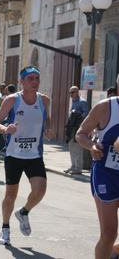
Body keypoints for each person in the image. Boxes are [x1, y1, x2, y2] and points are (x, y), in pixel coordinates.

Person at [0, 66, 53, 245]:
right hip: (14, 154)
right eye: (30, 78)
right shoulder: (12, 100)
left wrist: (48, 127)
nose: (35, 82)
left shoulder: (44, 100)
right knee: (11, 194)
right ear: (22, 81)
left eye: (37, 78)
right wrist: (5, 129)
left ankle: (24, 212)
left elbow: (46, 117)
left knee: (40, 190)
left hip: (34, 154)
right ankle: (5, 227)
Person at [76, 84, 119, 259]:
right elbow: (81, 134)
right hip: (106, 174)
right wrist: (92, 146)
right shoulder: (105, 107)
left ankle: (114, 253)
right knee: (108, 235)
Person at [64, 86, 89, 175]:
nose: (71, 94)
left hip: (78, 127)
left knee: (77, 147)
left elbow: (86, 114)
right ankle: (73, 165)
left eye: (73, 92)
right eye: (70, 92)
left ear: (77, 92)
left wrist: (79, 120)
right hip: (71, 127)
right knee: (71, 147)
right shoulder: (73, 102)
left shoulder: (82, 102)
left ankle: (78, 167)